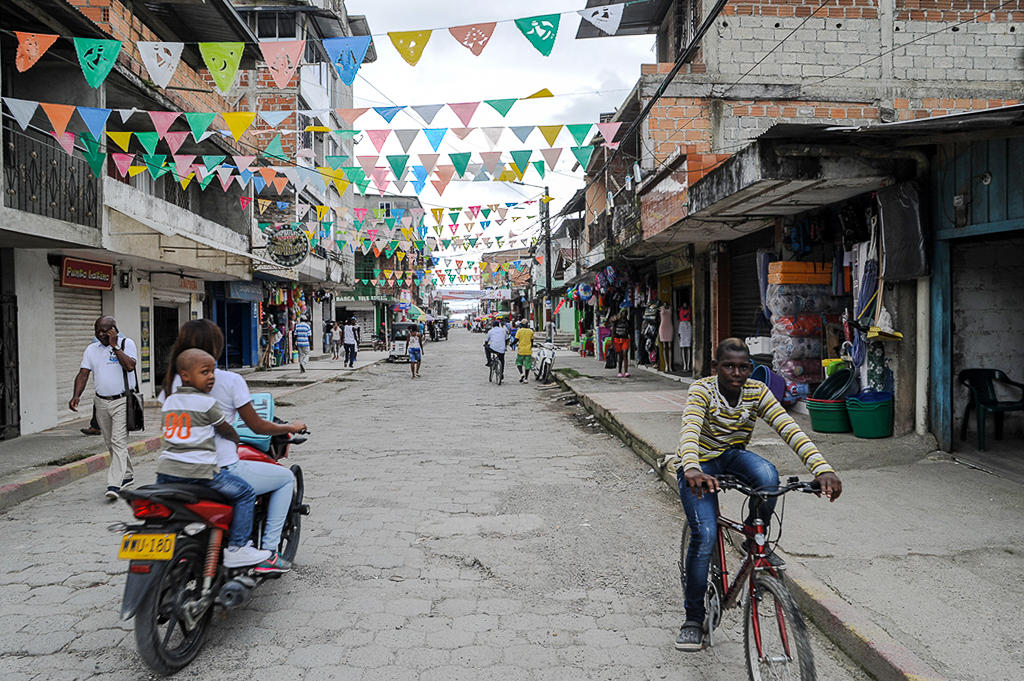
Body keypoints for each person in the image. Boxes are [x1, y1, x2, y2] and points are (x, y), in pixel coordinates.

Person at [666, 338, 843, 652]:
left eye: (743, 367)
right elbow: (690, 429)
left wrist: (822, 468)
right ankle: (693, 619)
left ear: (751, 368)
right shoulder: (702, 391)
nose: (736, 373)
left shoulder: (757, 391)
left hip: (732, 455)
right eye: (729, 366)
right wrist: (691, 466)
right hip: (698, 463)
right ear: (715, 368)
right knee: (705, 534)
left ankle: (753, 534)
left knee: (768, 476)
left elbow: (788, 428)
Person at [161, 321, 304, 573]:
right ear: (214, 347)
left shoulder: (172, 382)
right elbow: (257, 426)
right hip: (220, 468)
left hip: (174, 470)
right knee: (283, 479)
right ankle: (267, 553)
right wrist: (289, 427)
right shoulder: (229, 380)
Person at [69, 316, 138, 501]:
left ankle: (114, 484)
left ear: (113, 330)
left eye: (104, 331)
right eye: (97, 331)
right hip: (101, 402)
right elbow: (83, 374)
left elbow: (130, 366)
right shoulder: (92, 349)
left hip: (122, 401)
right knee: (110, 442)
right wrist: (76, 396)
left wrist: (115, 346)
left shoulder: (126, 343)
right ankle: (128, 474)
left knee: (118, 441)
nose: (100, 335)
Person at [611, 309, 631, 378]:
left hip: (625, 339)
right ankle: (619, 371)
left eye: (625, 313)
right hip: (617, 340)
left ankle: (626, 371)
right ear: (620, 313)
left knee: (625, 354)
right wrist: (612, 342)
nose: (624, 314)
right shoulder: (616, 322)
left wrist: (633, 342)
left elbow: (630, 332)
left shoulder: (628, 322)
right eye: (623, 313)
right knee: (620, 357)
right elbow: (613, 332)